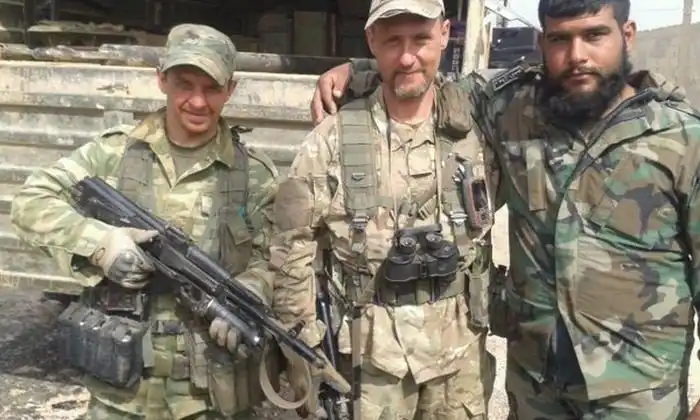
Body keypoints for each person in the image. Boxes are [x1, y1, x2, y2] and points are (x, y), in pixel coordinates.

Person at [309, 0, 700, 419]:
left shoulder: (680, 139)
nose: (577, 55)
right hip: (536, 387)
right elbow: (427, 80)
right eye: (560, 39)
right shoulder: (513, 108)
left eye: (594, 35)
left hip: (637, 395)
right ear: (541, 43)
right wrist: (356, 71)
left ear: (627, 35)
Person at [11, 23, 281, 420]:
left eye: (211, 88)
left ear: (231, 90)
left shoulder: (255, 175)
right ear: (161, 80)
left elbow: (275, 259)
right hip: (120, 392)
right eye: (184, 84)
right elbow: (30, 201)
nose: (197, 101)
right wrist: (101, 244)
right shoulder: (114, 153)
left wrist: (252, 290)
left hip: (209, 395)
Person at [270, 0, 496, 418]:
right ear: (372, 41)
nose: (407, 57)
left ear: (445, 34)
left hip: (459, 363)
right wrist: (303, 348)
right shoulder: (332, 140)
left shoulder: (481, 129)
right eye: (393, 41)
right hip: (370, 367)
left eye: (421, 39)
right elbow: (290, 248)